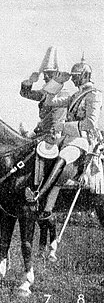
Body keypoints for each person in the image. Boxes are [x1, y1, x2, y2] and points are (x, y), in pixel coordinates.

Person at [25, 55, 102, 217]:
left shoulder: (94, 95)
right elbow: (49, 102)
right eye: (72, 77)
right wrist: (58, 82)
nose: (73, 80)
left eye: (76, 77)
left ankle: (38, 195)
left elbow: (90, 124)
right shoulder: (74, 95)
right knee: (42, 151)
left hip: (82, 140)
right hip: (66, 139)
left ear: (85, 76)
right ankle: (45, 206)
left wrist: (63, 126)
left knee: (62, 157)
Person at [21, 46, 67, 137]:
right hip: (42, 132)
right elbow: (25, 93)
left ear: (58, 75)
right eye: (44, 74)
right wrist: (30, 81)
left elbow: (55, 121)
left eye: (49, 74)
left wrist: (35, 132)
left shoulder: (63, 94)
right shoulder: (46, 92)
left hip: (56, 134)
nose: (45, 77)